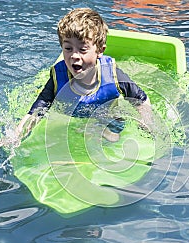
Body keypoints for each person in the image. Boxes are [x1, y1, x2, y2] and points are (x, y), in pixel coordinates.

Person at [15, 7, 154, 143]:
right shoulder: (59, 76)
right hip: (70, 118)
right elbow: (37, 109)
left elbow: (140, 99)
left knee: (114, 138)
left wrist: (147, 123)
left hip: (106, 115)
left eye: (82, 49)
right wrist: (16, 136)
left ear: (99, 50)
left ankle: (101, 131)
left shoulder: (111, 74)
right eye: (68, 49)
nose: (74, 55)